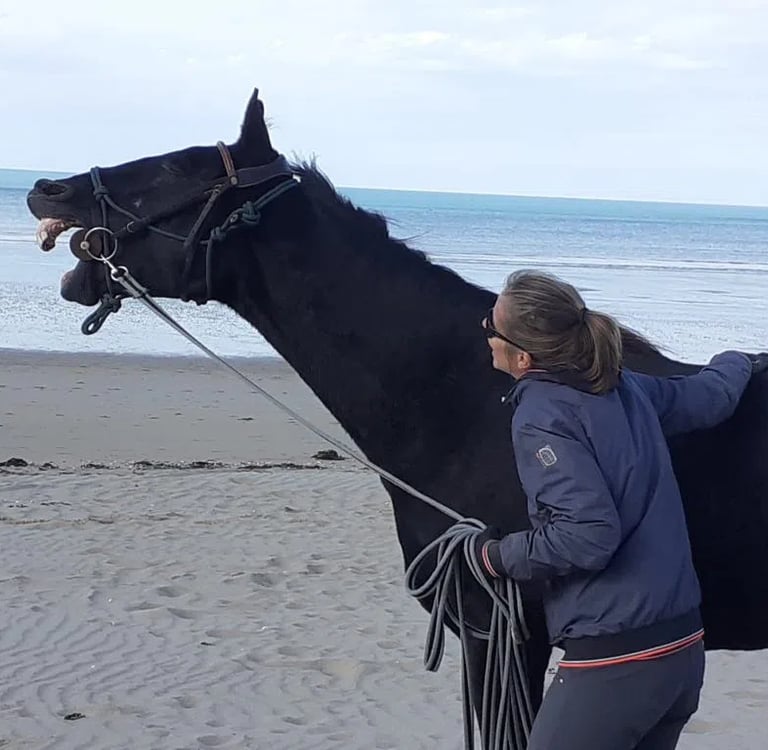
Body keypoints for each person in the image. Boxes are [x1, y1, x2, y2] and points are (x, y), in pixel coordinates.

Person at [473, 270, 768, 750]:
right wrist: (737, 360)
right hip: (682, 652)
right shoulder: (627, 387)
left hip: (618, 659)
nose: (485, 332)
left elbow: (587, 535)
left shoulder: (542, 416)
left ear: (522, 356)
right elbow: (710, 399)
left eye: (491, 325)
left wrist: (495, 557)